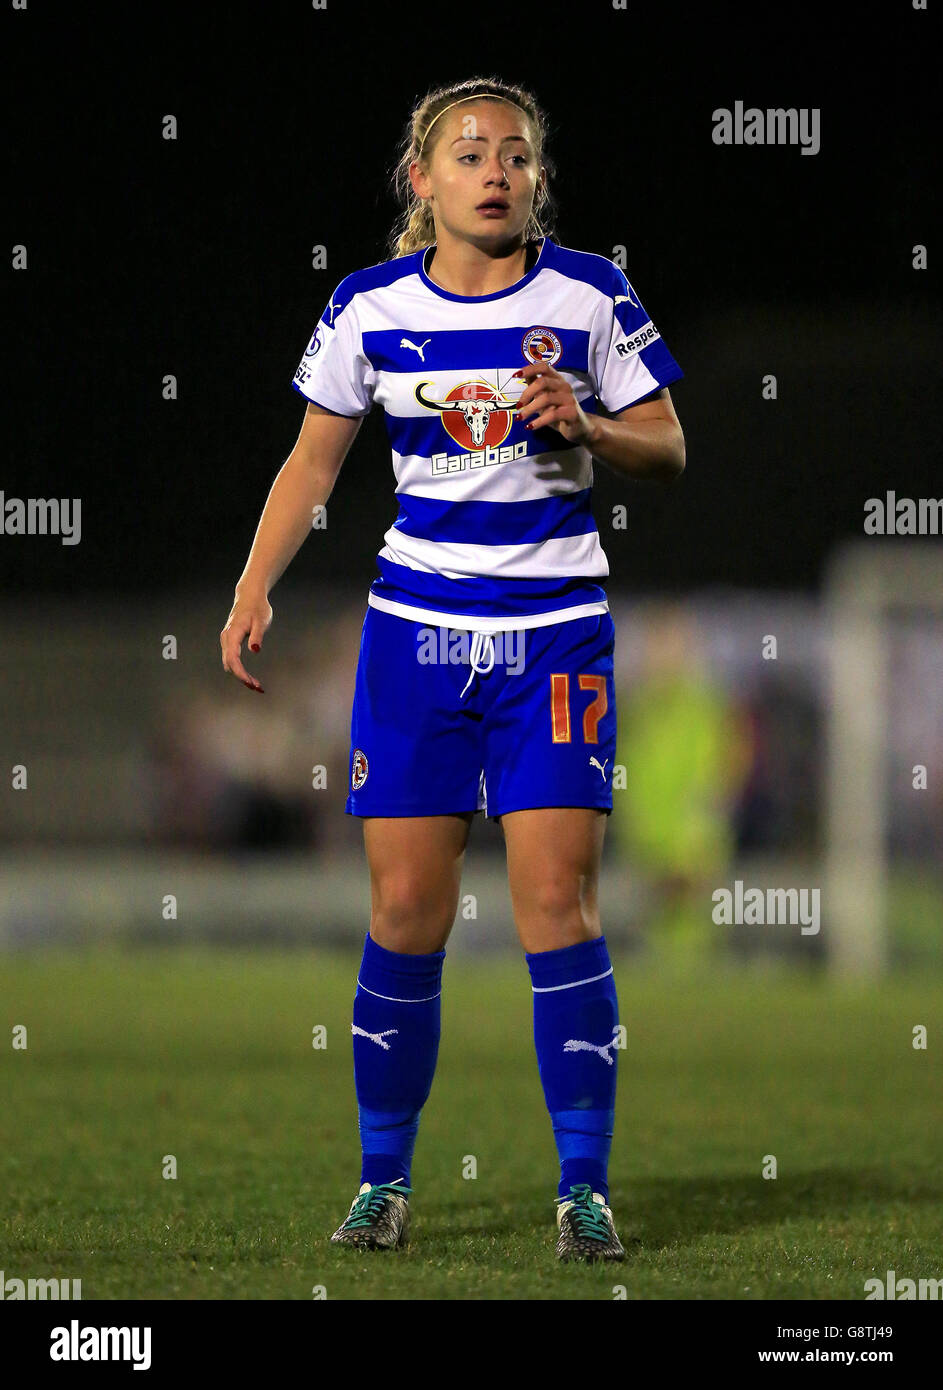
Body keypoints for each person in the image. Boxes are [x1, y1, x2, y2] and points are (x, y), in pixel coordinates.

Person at [220, 76, 686, 1262]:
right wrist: (253, 584)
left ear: (535, 181)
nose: (497, 170)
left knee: (555, 908)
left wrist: (586, 425)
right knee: (405, 911)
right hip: (414, 641)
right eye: (470, 152)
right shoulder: (369, 306)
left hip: (553, 640)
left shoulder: (590, 293)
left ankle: (581, 1187)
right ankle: (385, 1183)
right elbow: (312, 466)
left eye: (517, 155)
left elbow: (669, 447)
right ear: (419, 181)